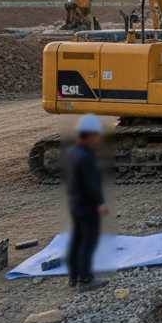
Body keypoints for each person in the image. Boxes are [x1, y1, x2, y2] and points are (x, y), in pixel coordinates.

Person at [66, 113, 109, 290]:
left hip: (75, 203)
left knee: (76, 239)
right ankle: (85, 280)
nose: (98, 139)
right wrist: (100, 203)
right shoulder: (86, 157)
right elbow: (91, 184)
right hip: (87, 205)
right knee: (88, 241)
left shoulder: (72, 152)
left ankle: (73, 276)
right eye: (97, 135)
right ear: (90, 134)